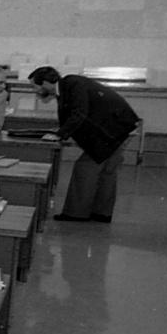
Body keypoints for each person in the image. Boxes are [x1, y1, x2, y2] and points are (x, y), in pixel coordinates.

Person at [29, 66, 141, 223]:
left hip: (115, 128)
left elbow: (80, 112)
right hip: (118, 125)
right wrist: (61, 130)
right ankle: (101, 213)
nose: (34, 90)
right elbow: (75, 113)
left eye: (34, 86)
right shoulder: (67, 86)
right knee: (106, 171)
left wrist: (60, 134)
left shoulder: (73, 84)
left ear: (46, 83)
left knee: (85, 168)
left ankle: (76, 213)